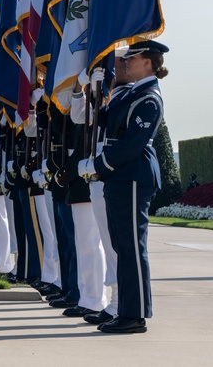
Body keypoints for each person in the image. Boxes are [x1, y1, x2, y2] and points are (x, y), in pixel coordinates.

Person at [78, 40, 169, 334]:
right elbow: (101, 120)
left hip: (132, 176)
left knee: (131, 248)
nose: (126, 62)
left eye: (132, 58)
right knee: (122, 247)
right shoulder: (131, 94)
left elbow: (132, 145)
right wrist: (89, 91)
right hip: (120, 177)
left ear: (147, 61)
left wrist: (97, 165)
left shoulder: (149, 98)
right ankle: (126, 311)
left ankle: (136, 314)